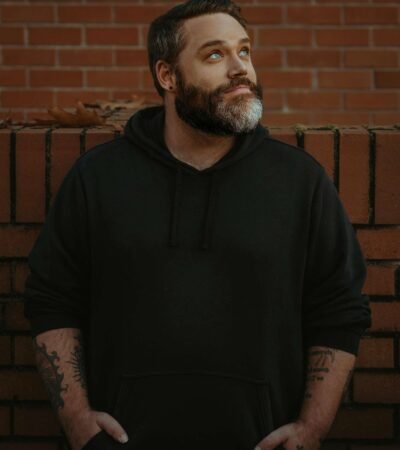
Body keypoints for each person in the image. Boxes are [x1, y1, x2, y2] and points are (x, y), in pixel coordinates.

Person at [23, 1, 372, 449]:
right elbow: (53, 299)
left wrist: (312, 429)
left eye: (244, 51)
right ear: (168, 76)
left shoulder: (300, 182)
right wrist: (78, 423)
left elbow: (339, 309)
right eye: (215, 55)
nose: (240, 68)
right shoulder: (98, 178)